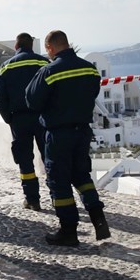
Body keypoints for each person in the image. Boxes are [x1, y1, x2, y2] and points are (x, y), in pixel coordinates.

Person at [25, 30, 111, 246]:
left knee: (59, 181)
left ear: (50, 48)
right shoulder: (90, 69)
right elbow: (91, 93)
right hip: (82, 131)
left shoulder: (49, 71)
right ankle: (98, 218)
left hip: (58, 133)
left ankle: (68, 231)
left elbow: (32, 100)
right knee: (82, 176)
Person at [0, 33, 50, 211]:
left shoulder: (5, 67)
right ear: (32, 46)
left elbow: (0, 97)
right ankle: (57, 195)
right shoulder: (44, 63)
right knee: (49, 157)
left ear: (16, 46)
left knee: (25, 160)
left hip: (19, 119)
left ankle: (32, 199)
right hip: (42, 118)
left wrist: (9, 119)